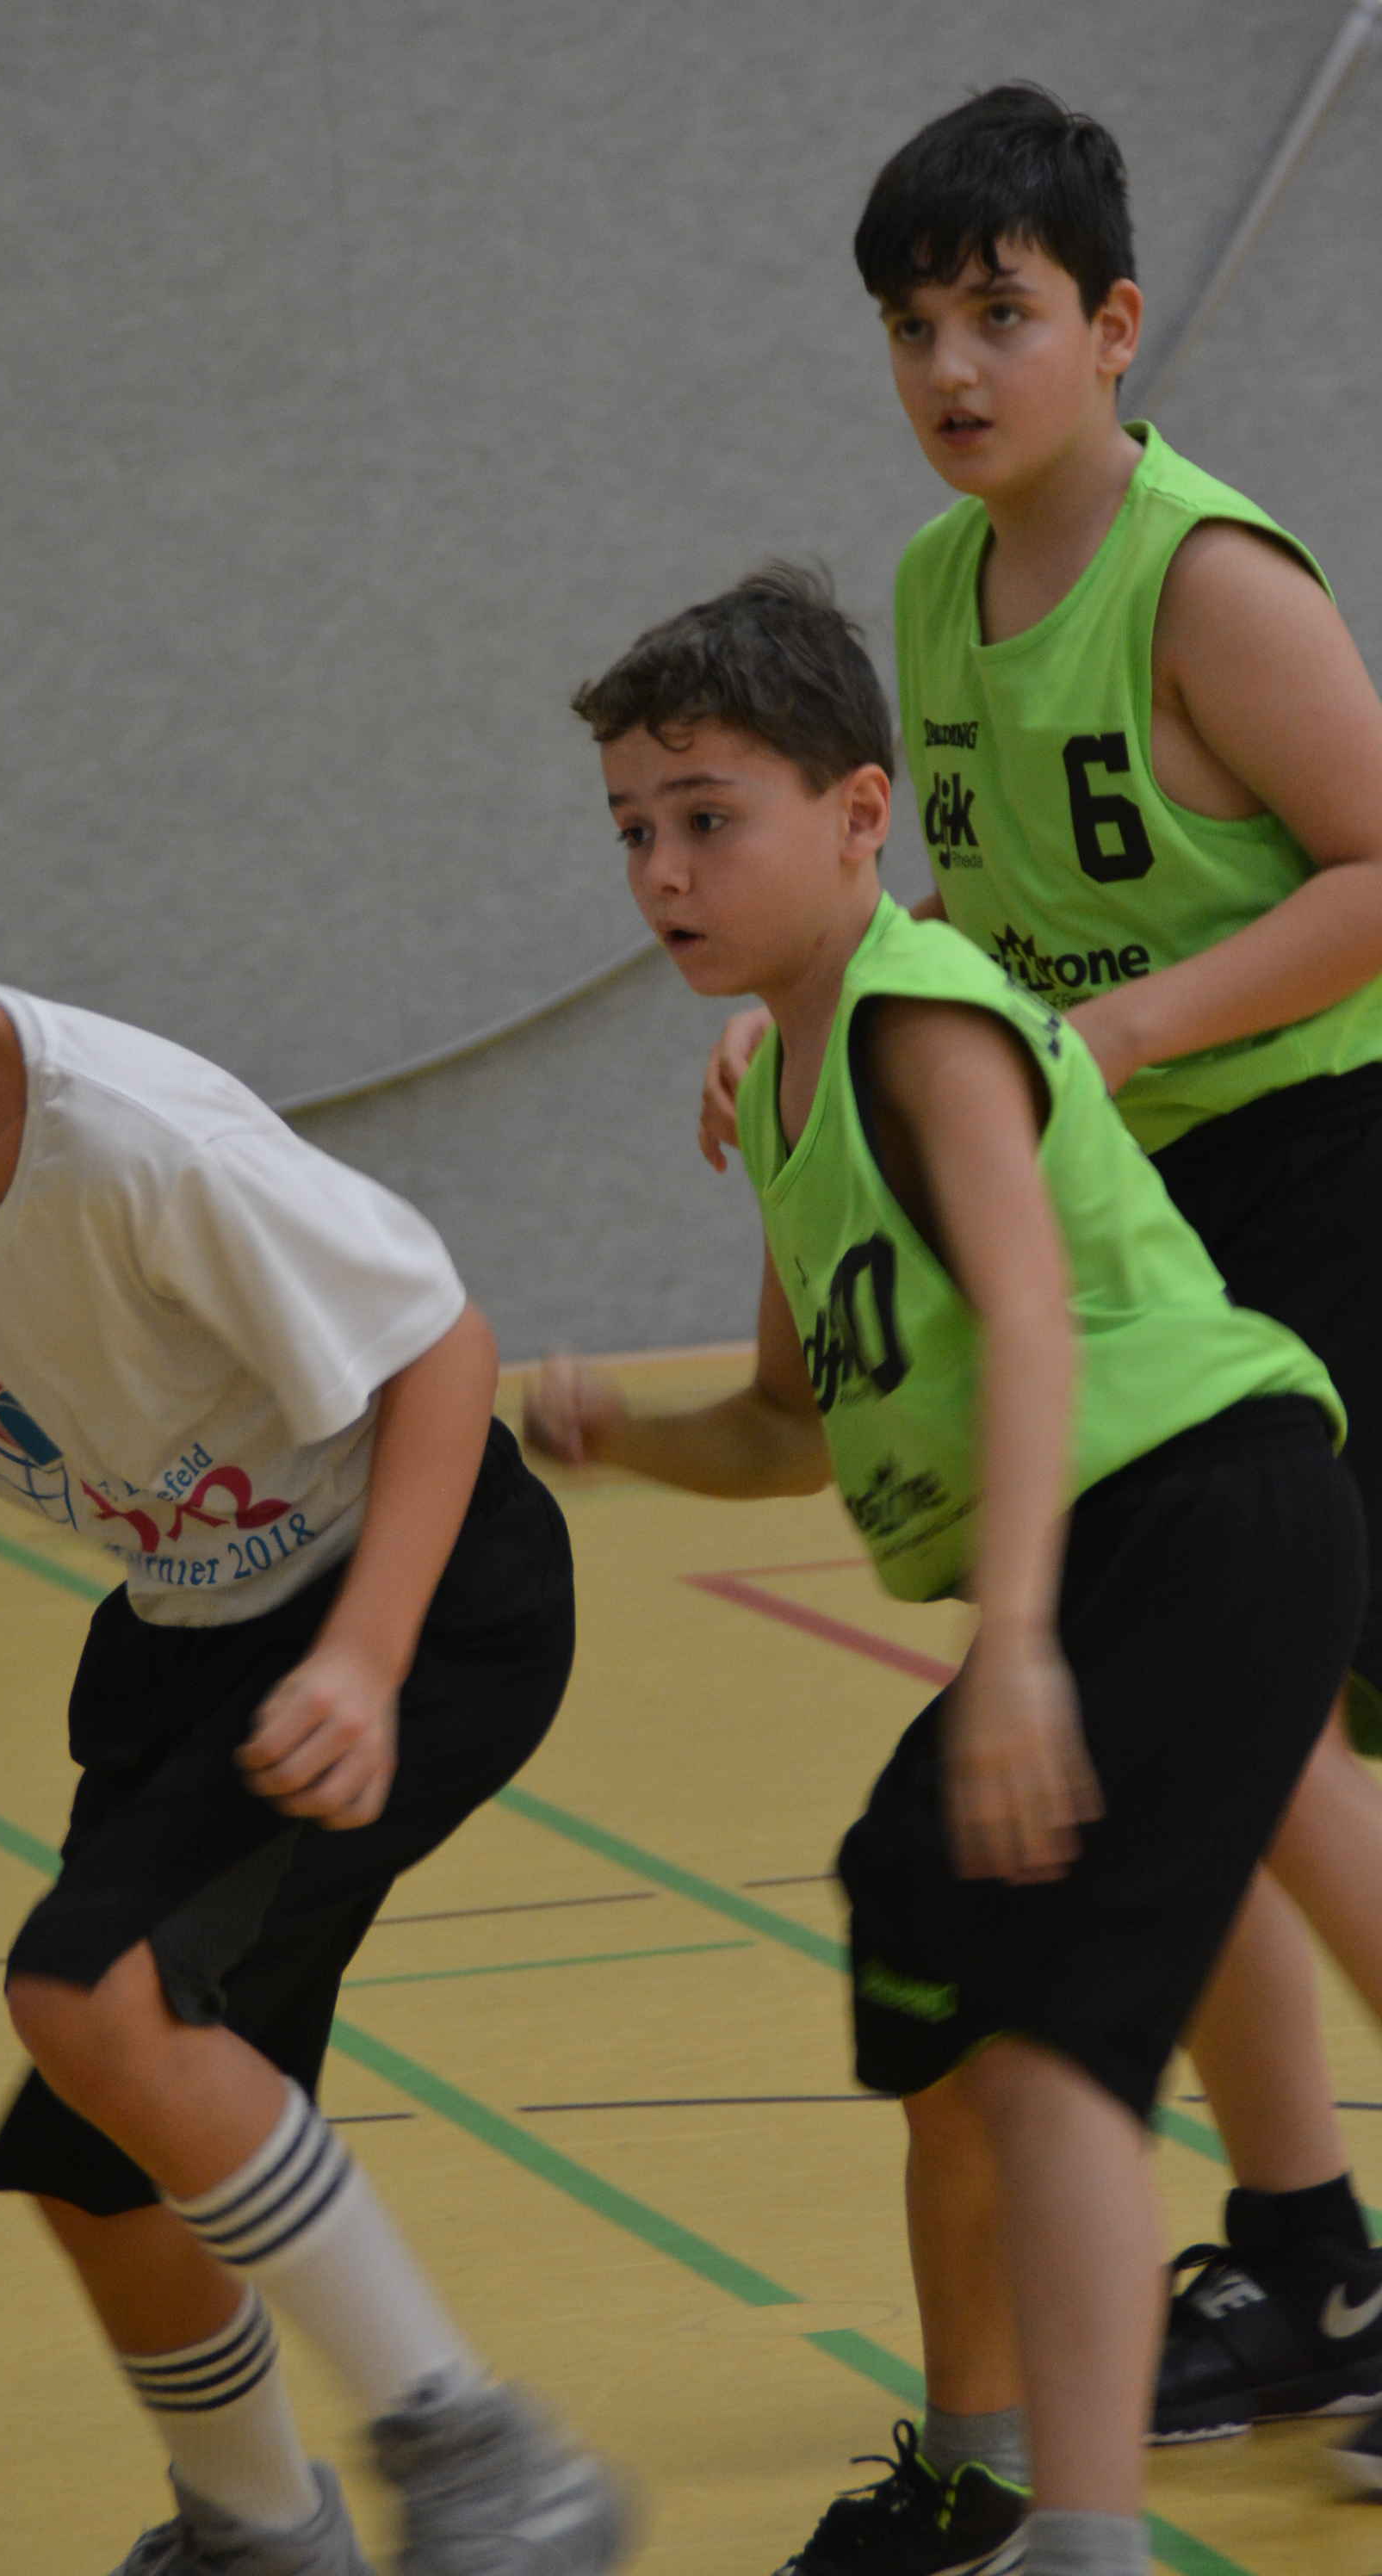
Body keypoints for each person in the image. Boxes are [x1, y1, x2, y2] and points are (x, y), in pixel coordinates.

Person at [0, 659, 632, 2576]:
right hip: (191, 1643)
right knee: (97, 2167)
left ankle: (488, 2456)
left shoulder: (137, 1140)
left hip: (426, 1595)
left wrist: (364, 1659)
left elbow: (442, 1353)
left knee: (88, 1988)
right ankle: (260, 2532)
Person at [695, 80, 1382, 2530]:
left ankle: (1312, 2249)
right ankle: (1309, 2253)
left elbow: (1376, 866)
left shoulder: (1208, 580)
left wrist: (1115, 1036)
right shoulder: (927, 590)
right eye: (913, 327)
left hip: (1310, 1167)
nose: (953, 367)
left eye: (999, 314)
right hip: (1124, 1214)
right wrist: (814, 1009)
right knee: (1195, 1755)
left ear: (1109, 327)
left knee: (1266, 1747)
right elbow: (954, 924)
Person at [532, 558, 1365, 2576]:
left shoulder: (923, 1018)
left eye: (707, 815)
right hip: (1118, 1540)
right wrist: (620, 1429)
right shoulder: (786, 1080)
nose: (663, 870)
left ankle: (1077, 2531)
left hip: (1200, 1502)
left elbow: (1034, 1314)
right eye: (632, 830)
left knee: (1060, 2026)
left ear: (857, 815)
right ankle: (980, 2472)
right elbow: (785, 1421)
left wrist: (1010, 1647)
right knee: (929, 1943)